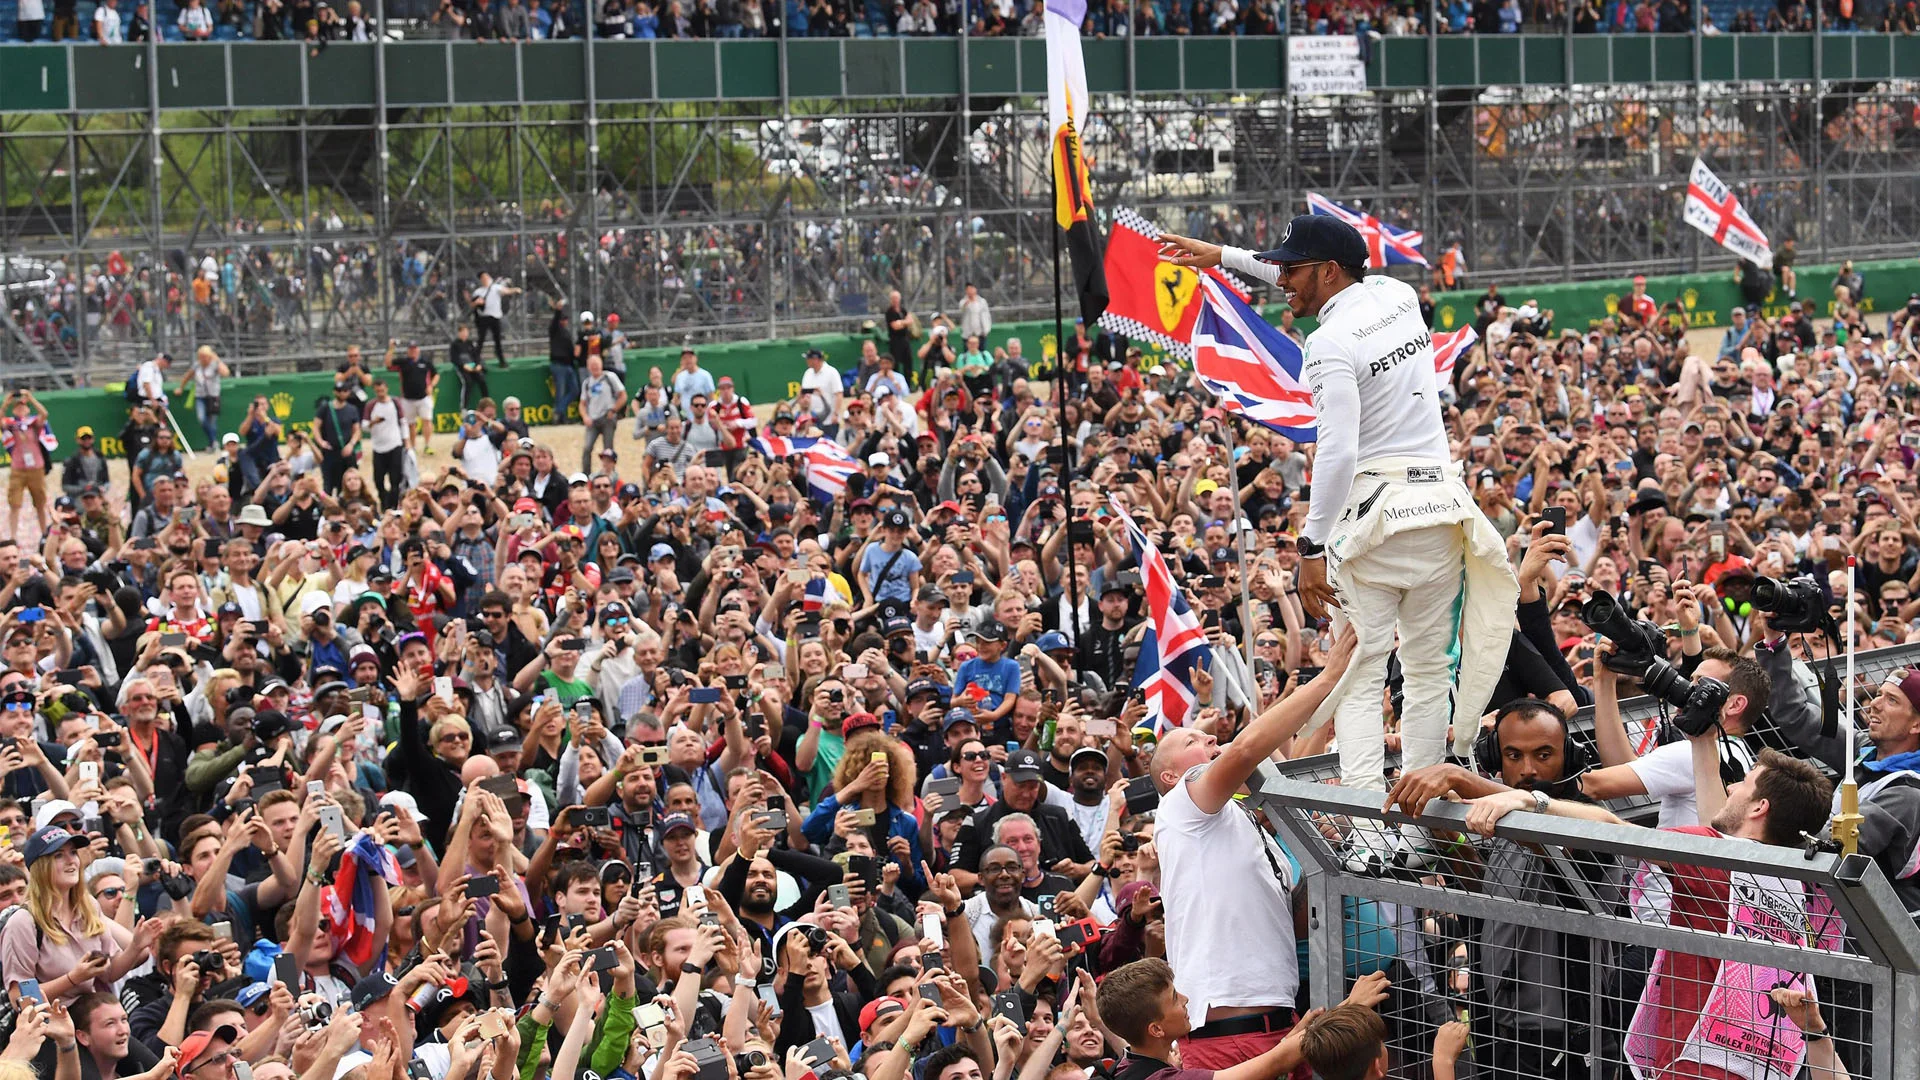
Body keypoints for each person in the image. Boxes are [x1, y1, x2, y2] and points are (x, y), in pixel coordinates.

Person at [1159, 215, 1519, 870]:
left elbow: (1339, 451)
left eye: (1292, 271)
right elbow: (1304, 266)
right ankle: (1419, 827)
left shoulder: (1327, 343)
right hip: (1439, 511)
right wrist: (1223, 255)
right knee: (1427, 671)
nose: (1282, 283)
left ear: (1327, 272)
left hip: (1374, 523)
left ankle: (1370, 833)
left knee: (1357, 674)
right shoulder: (1396, 295)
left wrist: (1311, 547)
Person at [1145, 626, 1354, 1069]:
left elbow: (1297, 924)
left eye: (1205, 736)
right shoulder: (1180, 805)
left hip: (1282, 1021)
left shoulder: (1246, 823)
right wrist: (1327, 677)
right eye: (1192, 741)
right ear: (1170, 776)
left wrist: (1323, 849)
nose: (1209, 740)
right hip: (1226, 1035)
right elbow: (1244, 751)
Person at [2, 389, 53, 540]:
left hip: (36, 467)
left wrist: (30, 398)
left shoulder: (33, 423)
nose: (21, 409)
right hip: (18, 467)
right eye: (18, 407)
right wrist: (6, 402)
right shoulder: (11, 424)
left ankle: (44, 533)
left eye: (23, 406)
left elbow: (44, 414)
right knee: (14, 503)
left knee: (40, 502)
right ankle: (13, 536)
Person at [384, 339, 438, 458]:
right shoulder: (403, 362)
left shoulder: (425, 362)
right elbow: (388, 364)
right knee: (410, 424)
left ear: (418, 349)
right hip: (407, 398)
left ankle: (427, 445)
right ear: (408, 350)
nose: (413, 351)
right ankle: (412, 446)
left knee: (427, 420)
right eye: (411, 349)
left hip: (424, 397)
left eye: (415, 348)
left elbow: (436, 375)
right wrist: (391, 348)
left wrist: (431, 385)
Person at [578, 351, 628, 473]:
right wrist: (585, 416)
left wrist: (614, 409)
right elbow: (582, 403)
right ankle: (586, 474)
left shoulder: (609, 377)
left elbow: (623, 395)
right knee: (587, 448)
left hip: (607, 418)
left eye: (596, 364)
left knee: (608, 449)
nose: (595, 367)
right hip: (592, 419)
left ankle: (609, 473)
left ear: (601, 364)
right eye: (592, 365)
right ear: (588, 367)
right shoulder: (587, 383)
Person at [468, 270, 521, 367]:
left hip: (495, 317)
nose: (486, 279)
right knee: (481, 340)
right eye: (484, 277)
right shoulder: (478, 291)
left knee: (497, 340)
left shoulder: (496, 288)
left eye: (487, 276)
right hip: (483, 317)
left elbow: (506, 291)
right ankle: (476, 360)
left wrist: (515, 290)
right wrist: (477, 303)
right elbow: (472, 304)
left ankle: (502, 360)